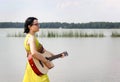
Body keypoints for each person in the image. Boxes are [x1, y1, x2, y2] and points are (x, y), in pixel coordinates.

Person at [23, 17, 56, 82]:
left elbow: (43, 51)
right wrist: (46, 61)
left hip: (32, 66)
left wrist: (55, 56)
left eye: (38, 24)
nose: (38, 26)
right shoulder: (31, 38)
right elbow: (34, 53)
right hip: (36, 68)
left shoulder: (28, 37)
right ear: (29, 26)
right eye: (36, 24)